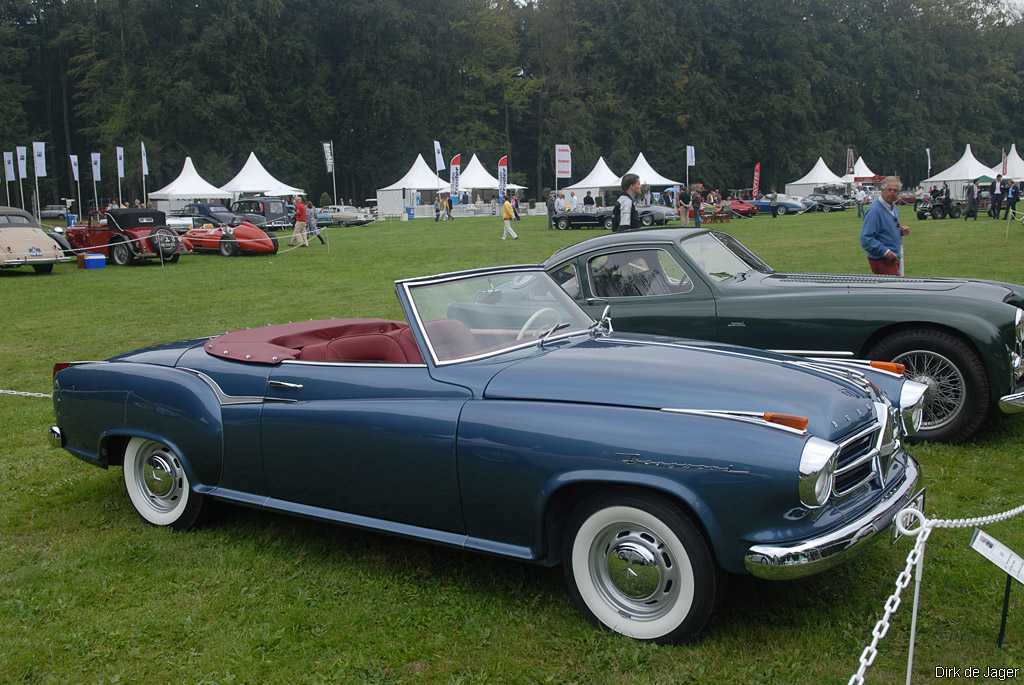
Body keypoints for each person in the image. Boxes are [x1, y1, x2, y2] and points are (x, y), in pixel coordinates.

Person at [860, 176, 910, 275]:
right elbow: (866, 239)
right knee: (891, 290)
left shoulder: (893, 207)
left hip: (893, 258)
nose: (892, 193)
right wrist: (886, 252)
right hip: (882, 261)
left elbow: (884, 230)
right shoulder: (874, 211)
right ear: (882, 190)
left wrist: (900, 231)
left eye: (895, 190)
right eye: (889, 189)